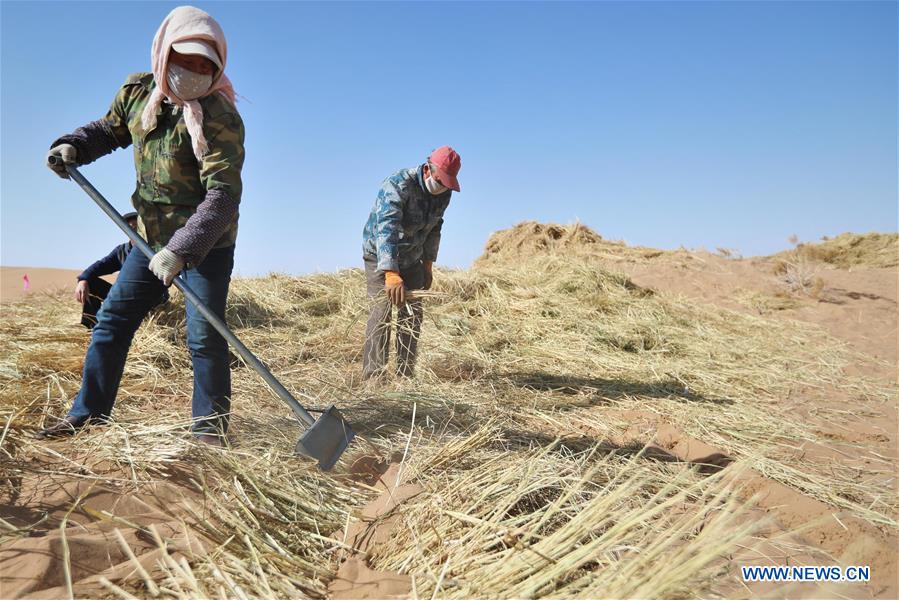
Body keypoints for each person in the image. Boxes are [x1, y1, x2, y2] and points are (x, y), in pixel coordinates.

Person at [38, 5, 244, 446]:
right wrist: (74, 145)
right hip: (148, 240)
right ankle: (89, 413)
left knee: (205, 335)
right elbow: (109, 130)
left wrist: (184, 249)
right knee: (112, 322)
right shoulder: (137, 94)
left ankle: (209, 433)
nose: (194, 71)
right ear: (164, 53)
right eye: (185, 60)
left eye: (205, 65)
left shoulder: (220, 116)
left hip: (206, 245)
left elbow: (223, 195)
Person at [361, 146, 462, 379]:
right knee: (382, 312)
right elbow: (386, 228)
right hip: (380, 255)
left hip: (413, 257)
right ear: (428, 169)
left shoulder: (444, 192)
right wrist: (390, 273)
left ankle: (405, 375)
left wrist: (428, 263)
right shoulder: (397, 185)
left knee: (412, 315)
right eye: (440, 180)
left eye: (447, 182)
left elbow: (435, 227)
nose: (442, 186)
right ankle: (374, 379)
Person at [76, 212, 169, 329]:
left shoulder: (154, 250)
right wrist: (83, 280)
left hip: (149, 303)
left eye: (137, 228)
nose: (134, 231)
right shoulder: (122, 251)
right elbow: (100, 265)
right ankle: (91, 326)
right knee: (90, 282)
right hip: (124, 298)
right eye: (130, 228)